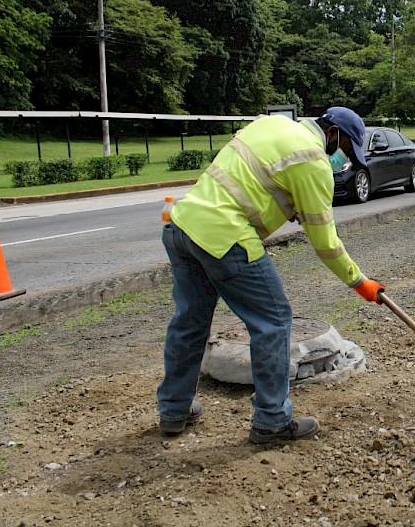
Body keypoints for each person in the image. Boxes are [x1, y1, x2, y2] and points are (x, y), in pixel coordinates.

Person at [158, 107, 385, 443]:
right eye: (346, 150)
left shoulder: (272, 124)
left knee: (190, 321)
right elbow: (326, 244)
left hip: (182, 224)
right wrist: (359, 281)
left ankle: (173, 410)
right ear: (333, 133)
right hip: (226, 237)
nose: (343, 159)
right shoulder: (313, 161)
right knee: (274, 321)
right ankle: (272, 421)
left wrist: (285, 206)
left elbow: (249, 180)